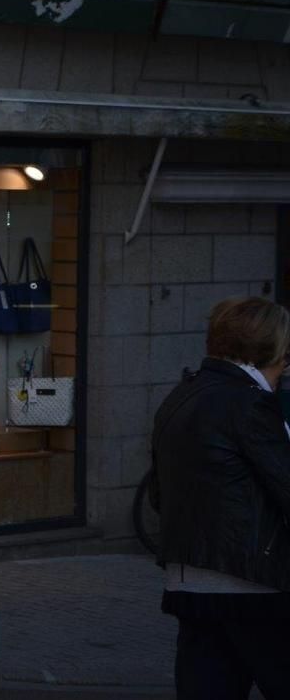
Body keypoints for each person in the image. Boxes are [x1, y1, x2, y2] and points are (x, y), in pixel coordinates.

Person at [151, 296, 290, 699]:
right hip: (255, 586)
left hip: (189, 584)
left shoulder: (178, 398)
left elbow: (160, 495)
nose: (284, 368)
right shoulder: (250, 404)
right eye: (285, 357)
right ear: (269, 351)